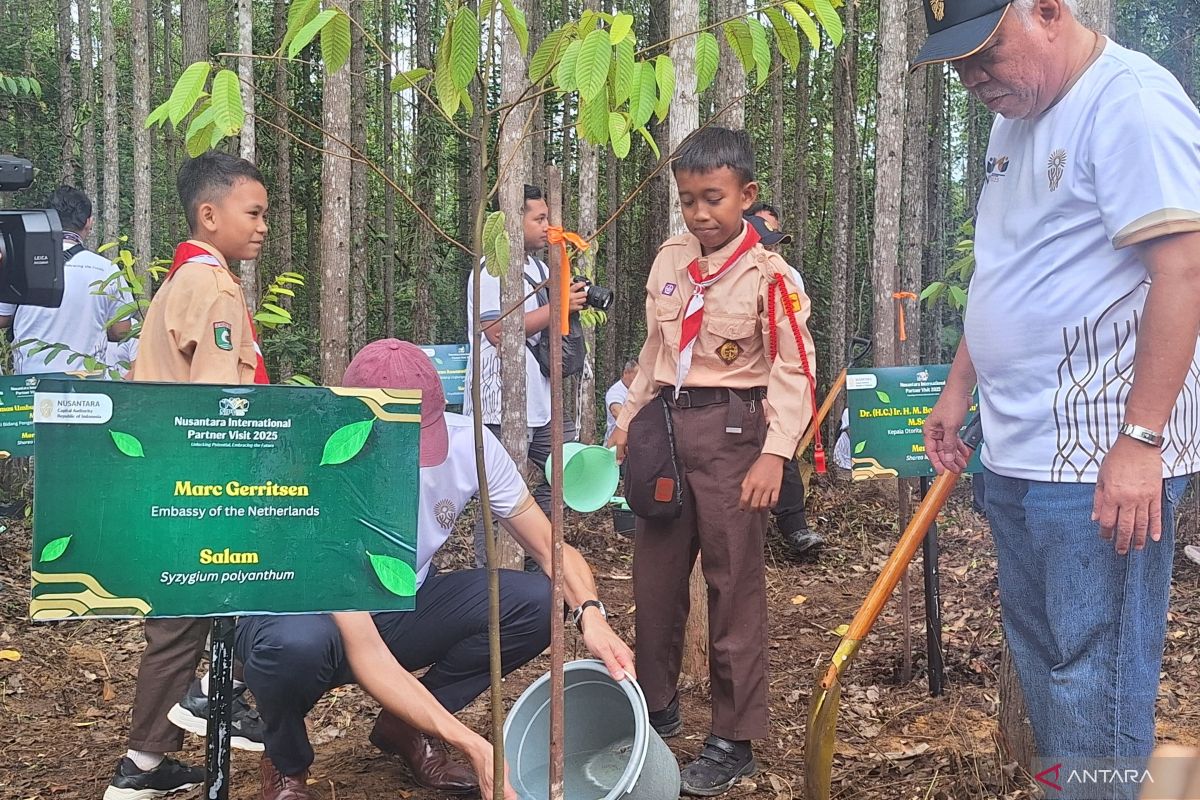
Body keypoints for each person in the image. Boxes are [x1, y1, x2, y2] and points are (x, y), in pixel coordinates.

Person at [914, 2, 1200, 797]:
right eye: (956, 64)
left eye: (985, 53)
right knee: (1044, 661)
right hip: (1015, 448)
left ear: (1047, 12)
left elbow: (1185, 270)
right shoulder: (1018, 118)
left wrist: (1142, 443)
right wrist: (959, 384)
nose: (972, 78)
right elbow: (1008, 267)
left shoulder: (1130, 102)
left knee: (1094, 682)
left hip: (1100, 458)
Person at [237, 339, 635, 800]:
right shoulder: (317, 467)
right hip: (306, 616)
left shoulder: (471, 443)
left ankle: (405, 728)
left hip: (402, 601)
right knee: (293, 647)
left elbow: (550, 546)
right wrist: (471, 743)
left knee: (538, 601)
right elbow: (366, 651)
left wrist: (591, 612)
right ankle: (285, 763)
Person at [610, 127, 817, 796]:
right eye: (689, 200)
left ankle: (734, 735)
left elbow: (794, 370)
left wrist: (773, 457)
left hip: (735, 436)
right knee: (655, 581)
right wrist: (627, 417)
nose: (700, 214)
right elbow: (654, 351)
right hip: (666, 428)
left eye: (714, 199)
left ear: (746, 196)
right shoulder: (672, 258)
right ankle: (655, 710)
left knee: (734, 591)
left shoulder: (771, 276)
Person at [103, 151, 270, 800]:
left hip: (165, 482)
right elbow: (220, 410)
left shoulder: (176, 286)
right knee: (279, 578)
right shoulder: (215, 288)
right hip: (205, 486)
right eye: (252, 213)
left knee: (173, 631)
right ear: (210, 214)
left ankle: (139, 770)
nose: (261, 226)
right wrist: (239, 497)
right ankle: (220, 694)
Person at [464, 184, 587, 569]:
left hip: (541, 397)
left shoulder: (539, 268)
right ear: (513, 222)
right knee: (500, 490)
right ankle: (494, 573)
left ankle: (539, 555)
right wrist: (558, 308)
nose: (547, 226)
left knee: (568, 469)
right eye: (539, 219)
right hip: (499, 401)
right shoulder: (492, 270)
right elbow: (497, 330)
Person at [745, 205, 824, 557]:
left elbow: (794, 344)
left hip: (777, 379)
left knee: (781, 449)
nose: (770, 250)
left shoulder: (785, 276)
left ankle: (795, 528)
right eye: (764, 241)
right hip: (741, 388)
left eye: (774, 241)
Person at [0, 185, 133, 374]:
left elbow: (2, 317)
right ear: (89, 222)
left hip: (30, 384)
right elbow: (122, 331)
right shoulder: (106, 269)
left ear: (47, 218)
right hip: (88, 385)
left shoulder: (20, 263)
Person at [603, 359, 639, 446]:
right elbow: (616, 411)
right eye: (636, 376)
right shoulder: (616, 391)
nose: (638, 379)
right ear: (626, 373)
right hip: (615, 444)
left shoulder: (638, 390)